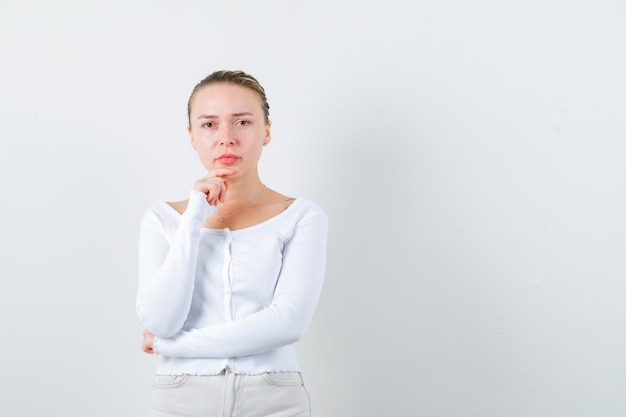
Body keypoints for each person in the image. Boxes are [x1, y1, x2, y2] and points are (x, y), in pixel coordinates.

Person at [136, 70, 328, 417]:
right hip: (180, 397)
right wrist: (194, 216)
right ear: (192, 135)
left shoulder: (300, 216)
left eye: (242, 122)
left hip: (274, 397)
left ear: (266, 131)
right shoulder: (162, 219)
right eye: (209, 124)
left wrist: (173, 346)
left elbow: (287, 322)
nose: (226, 138)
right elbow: (162, 319)